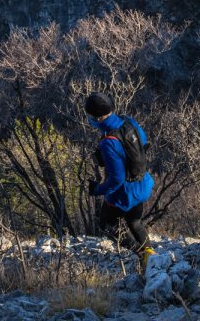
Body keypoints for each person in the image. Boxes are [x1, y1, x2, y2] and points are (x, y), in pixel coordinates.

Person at [84, 92, 156, 272]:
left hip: (125, 193)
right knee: (135, 221)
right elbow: (143, 143)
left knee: (107, 225)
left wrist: (98, 189)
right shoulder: (127, 121)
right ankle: (152, 258)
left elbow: (116, 179)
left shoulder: (108, 142)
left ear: (97, 118)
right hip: (142, 183)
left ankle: (142, 254)